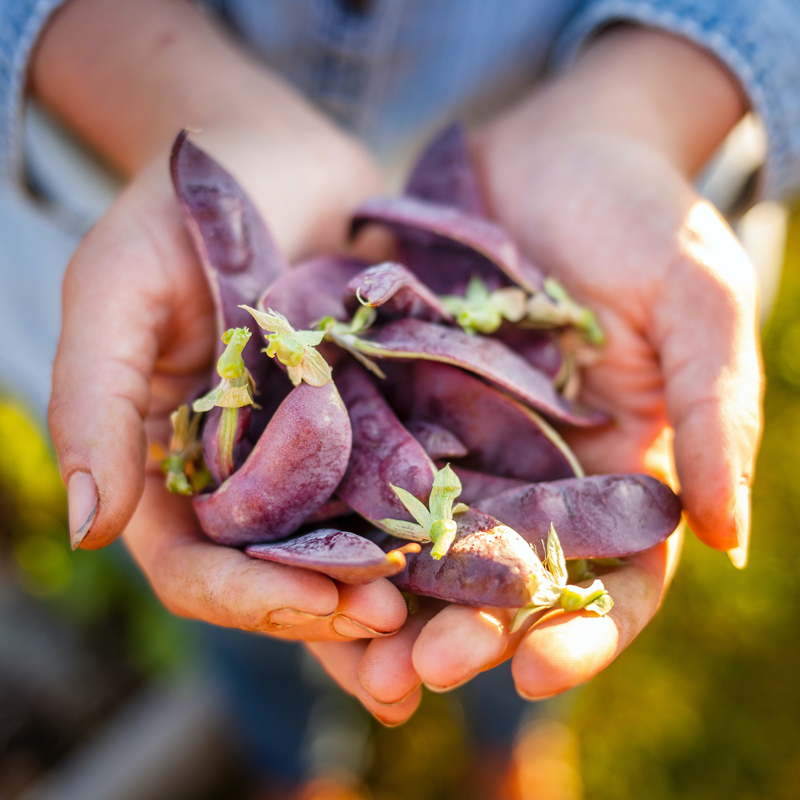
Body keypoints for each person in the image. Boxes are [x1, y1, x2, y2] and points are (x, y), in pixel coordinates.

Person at [2, 0, 797, 791]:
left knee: (516, 615)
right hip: (128, 189)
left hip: (567, 142)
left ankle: (507, 740)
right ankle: (297, 763)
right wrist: (165, 90)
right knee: (245, 606)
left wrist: (646, 107)